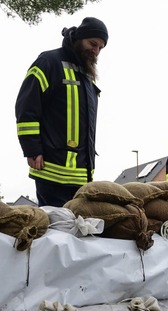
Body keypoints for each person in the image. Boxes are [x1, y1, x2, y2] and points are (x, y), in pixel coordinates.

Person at [15, 17, 109, 207]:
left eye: (100, 47)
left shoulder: (86, 75)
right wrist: (32, 149)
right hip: (51, 172)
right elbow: (26, 107)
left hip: (81, 176)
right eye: (93, 43)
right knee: (56, 231)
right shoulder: (49, 61)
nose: (96, 51)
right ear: (79, 38)